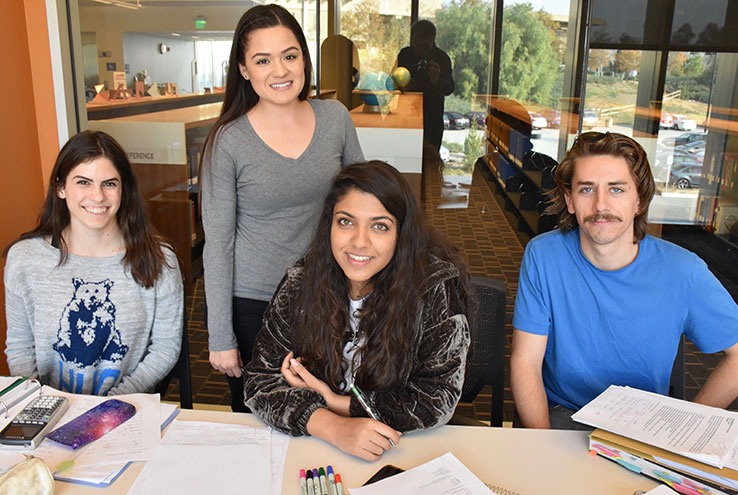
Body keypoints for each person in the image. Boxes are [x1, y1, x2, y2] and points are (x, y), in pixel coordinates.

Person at [244, 161, 471, 460]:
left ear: (401, 234)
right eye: (346, 222)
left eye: (379, 226)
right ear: (330, 225)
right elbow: (260, 379)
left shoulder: (434, 288)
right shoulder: (302, 282)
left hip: (403, 449)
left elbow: (434, 401)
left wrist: (338, 403)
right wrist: (332, 426)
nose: (359, 241)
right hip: (315, 447)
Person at [510, 132, 738, 430]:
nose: (600, 205)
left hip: (642, 425)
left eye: (616, 190)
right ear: (570, 200)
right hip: (564, 414)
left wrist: (688, 424)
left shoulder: (683, 270)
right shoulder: (543, 256)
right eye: (586, 189)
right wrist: (542, 445)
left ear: (639, 200)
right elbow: (525, 361)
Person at [200, 4, 364, 412]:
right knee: (262, 421)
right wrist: (220, 335)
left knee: (328, 412)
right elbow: (217, 244)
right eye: (263, 60)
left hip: (327, 294)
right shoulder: (228, 141)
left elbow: (366, 200)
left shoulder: (335, 119)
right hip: (254, 303)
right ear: (243, 69)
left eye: (290, 56)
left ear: (304, 59)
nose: (280, 71)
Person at [3, 130, 183, 396]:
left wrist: (111, 403)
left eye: (109, 183)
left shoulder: (159, 259)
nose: (97, 197)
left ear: (124, 189)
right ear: (61, 188)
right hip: (48, 409)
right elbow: (20, 349)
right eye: (83, 182)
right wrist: (42, 403)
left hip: (124, 408)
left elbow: (165, 347)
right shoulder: (25, 259)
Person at [396, 19, 454, 156]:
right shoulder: (405, 55)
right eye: (416, 44)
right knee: (405, 159)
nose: (419, 49)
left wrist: (436, 80)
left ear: (432, 40)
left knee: (431, 163)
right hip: (406, 118)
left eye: (424, 45)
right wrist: (405, 85)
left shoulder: (442, 58)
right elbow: (395, 83)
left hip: (432, 120)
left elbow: (450, 88)